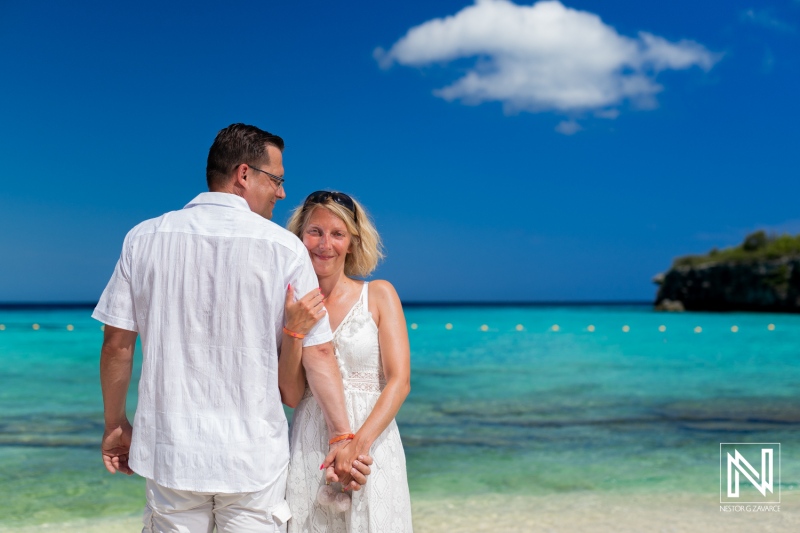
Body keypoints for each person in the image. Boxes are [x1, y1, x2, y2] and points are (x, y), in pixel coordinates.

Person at [94, 124, 371, 533]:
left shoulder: (144, 238)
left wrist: (116, 424)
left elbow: (118, 344)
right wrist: (341, 435)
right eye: (276, 180)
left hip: (171, 451)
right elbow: (319, 352)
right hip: (252, 457)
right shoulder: (284, 248)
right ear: (244, 175)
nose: (281, 193)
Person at [280, 191, 414, 532]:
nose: (325, 244)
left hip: (372, 447)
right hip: (311, 447)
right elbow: (293, 395)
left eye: (337, 234)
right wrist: (294, 331)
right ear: (299, 237)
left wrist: (356, 446)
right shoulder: (289, 306)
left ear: (352, 242)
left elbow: (399, 381)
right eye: (315, 232)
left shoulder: (379, 294)